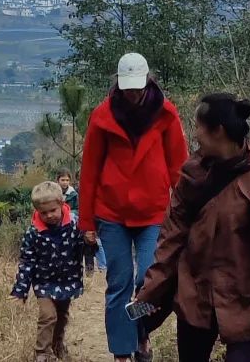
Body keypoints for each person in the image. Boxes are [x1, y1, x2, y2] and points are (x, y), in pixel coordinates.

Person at [136, 94, 250, 362]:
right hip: (195, 295)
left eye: (197, 127)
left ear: (218, 130)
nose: (194, 135)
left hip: (243, 300)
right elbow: (171, 239)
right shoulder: (193, 173)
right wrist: (149, 294)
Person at [78, 52, 190, 362]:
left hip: (154, 212)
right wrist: (86, 221)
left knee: (148, 281)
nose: (132, 93)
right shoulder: (102, 116)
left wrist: (185, 213)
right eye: (127, 87)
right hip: (111, 212)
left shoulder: (166, 114)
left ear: (148, 81)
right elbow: (89, 171)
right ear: (118, 83)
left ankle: (140, 330)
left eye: (137, 87)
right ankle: (122, 352)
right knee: (119, 282)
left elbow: (178, 167)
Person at [10, 181, 85, 362]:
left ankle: (57, 345)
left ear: (61, 204)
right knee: (48, 315)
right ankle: (42, 352)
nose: (49, 215)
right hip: (43, 282)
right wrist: (21, 291)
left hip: (67, 279)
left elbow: (84, 248)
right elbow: (26, 262)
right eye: (44, 213)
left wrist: (91, 244)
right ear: (36, 211)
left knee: (61, 316)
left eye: (53, 210)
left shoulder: (75, 225)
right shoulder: (34, 233)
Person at [58, 170, 107, 274]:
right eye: (63, 180)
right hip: (66, 226)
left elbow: (80, 208)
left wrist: (70, 213)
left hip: (85, 222)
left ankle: (99, 268)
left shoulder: (74, 194)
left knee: (92, 244)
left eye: (67, 180)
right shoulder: (56, 193)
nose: (65, 182)